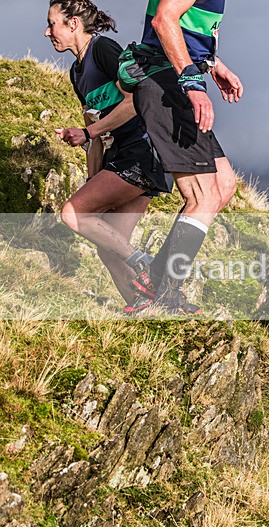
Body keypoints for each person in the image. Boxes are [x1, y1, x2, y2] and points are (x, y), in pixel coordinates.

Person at [46, 0, 172, 306]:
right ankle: (146, 309)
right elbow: (94, 133)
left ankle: (146, 265)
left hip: (145, 150)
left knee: (73, 213)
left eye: (52, 24)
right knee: (108, 248)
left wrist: (89, 132)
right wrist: (93, 180)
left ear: (73, 23)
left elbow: (137, 99)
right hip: (121, 157)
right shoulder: (76, 73)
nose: (47, 32)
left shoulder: (102, 49)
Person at [123, 0, 241, 315]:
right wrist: (193, 82)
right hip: (167, 86)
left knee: (223, 185)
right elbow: (164, 20)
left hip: (170, 82)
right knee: (203, 196)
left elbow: (185, 26)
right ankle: (167, 297)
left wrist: (213, 63)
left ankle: (154, 278)